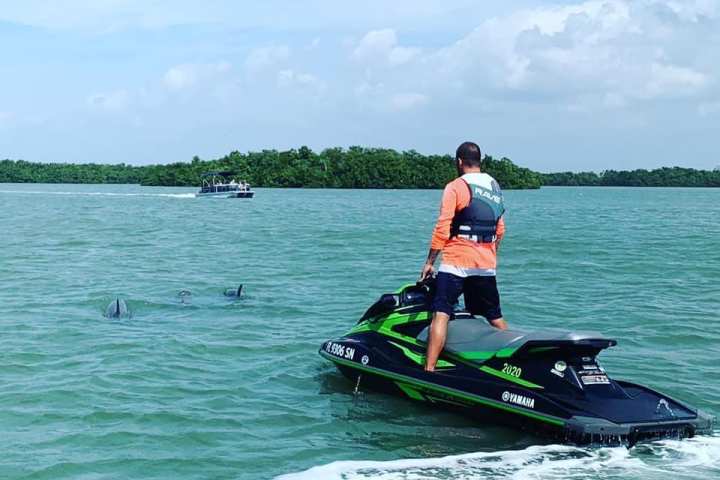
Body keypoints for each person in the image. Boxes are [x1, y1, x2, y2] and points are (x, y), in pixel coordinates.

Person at [419, 141, 508, 372]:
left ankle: (429, 369)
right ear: (480, 161)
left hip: (457, 262)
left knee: (441, 313)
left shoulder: (456, 186)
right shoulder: (494, 185)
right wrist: (488, 254)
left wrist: (430, 262)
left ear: (459, 162)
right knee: (494, 317)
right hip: (486, 264)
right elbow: (500, 230)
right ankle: (512, 362)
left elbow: (442, 227)